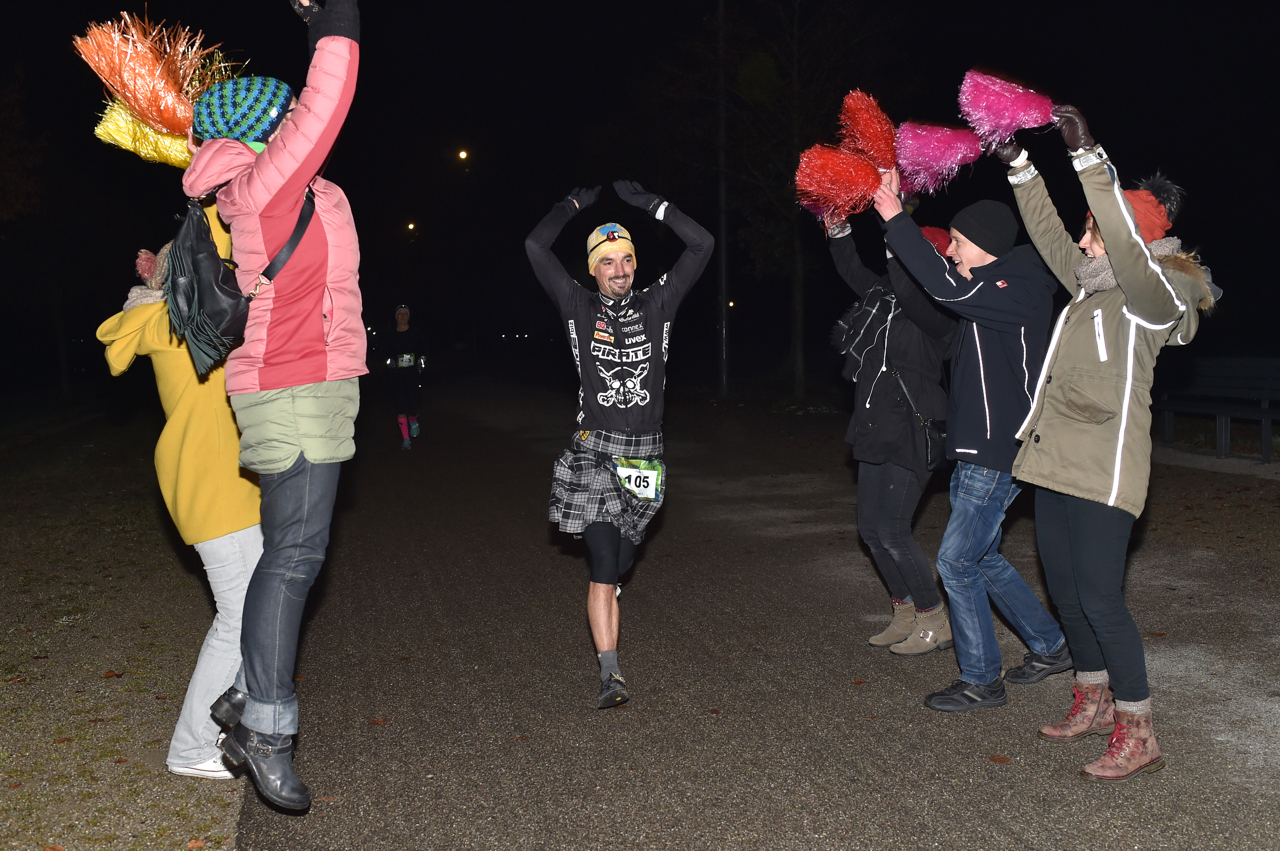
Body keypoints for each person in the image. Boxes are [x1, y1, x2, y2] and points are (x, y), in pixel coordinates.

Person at [996, 106, 1217, 781]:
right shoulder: (1090, 289)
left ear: (1128, 236)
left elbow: (1123, 245)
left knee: (1100, 598)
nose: (1083, 236)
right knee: (1063, 587)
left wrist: (1090, 158)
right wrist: (1019, 162)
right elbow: (1045, 231)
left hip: (1106, 469)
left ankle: (1138, 726)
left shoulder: (1154, 297)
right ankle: (1090, 695)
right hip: (1058, 462)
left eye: (1094, 226)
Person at [181, 0, 362, 811]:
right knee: (292, 556)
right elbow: (329, 95)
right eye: (285, 120)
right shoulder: (267, 185)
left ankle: (246, 700)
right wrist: (338, 20)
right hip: (294, 385)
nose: (300, 126)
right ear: (265, 131)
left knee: (289, 554)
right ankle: (266, 726)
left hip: (299, 383)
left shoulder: (262, 190)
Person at [873, 173, 1071, 712]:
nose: (952, 249)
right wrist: (892, 240)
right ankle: (1052, 646)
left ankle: (982, 679)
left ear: (983, 246)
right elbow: (936, 296)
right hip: (976, 452)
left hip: (998, 452)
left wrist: (897, 216)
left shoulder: (1020, 289)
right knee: (980, 558)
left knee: (956, 562)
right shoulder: (988, 293)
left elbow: (948, 286)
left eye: (958, 242)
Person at [525, 180, 713, 709]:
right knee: (604, 558)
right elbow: (535, 247)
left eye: (627, 259)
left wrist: (652, 206)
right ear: (592, 269)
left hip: (645, 456)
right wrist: (572, 204)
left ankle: (611, 588)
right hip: (593, 451)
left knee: (626, 556)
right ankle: (611, 675)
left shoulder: (660, 302)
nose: (619, 270)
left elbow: (702, 245)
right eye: (607, 261)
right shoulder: (576, 305)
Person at [96, 234, 263, 781]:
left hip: (226, 483)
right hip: (212, 485)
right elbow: (223, 258)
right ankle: (191, 746)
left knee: (256, 610)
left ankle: (236, 719)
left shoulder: (170, 319)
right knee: (239, 617)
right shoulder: (185, 326)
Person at [825, 213, 957, 654]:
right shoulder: (884, 297)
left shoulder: (942, 308)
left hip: (911, 429)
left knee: (895, 531)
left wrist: (894, 239)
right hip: (873, 424)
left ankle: (933, 617)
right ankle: (903, 612)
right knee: (871, 530)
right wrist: (838, 228)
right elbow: (851, 270)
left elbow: (910, 290)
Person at [385, 305, 426, 449]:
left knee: (414, 406)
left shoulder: (416, 332)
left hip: (413, 374)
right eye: (400, 314)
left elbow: (423, 349)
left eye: (405, 314)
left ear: (408, 317)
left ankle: (413, 420)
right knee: (401, 406)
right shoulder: (390, 334)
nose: (403, 316)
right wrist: (389, 361)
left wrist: (422, 359)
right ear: (396, 317)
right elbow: (385, 352)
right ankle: (406, 439)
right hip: (396, 375)